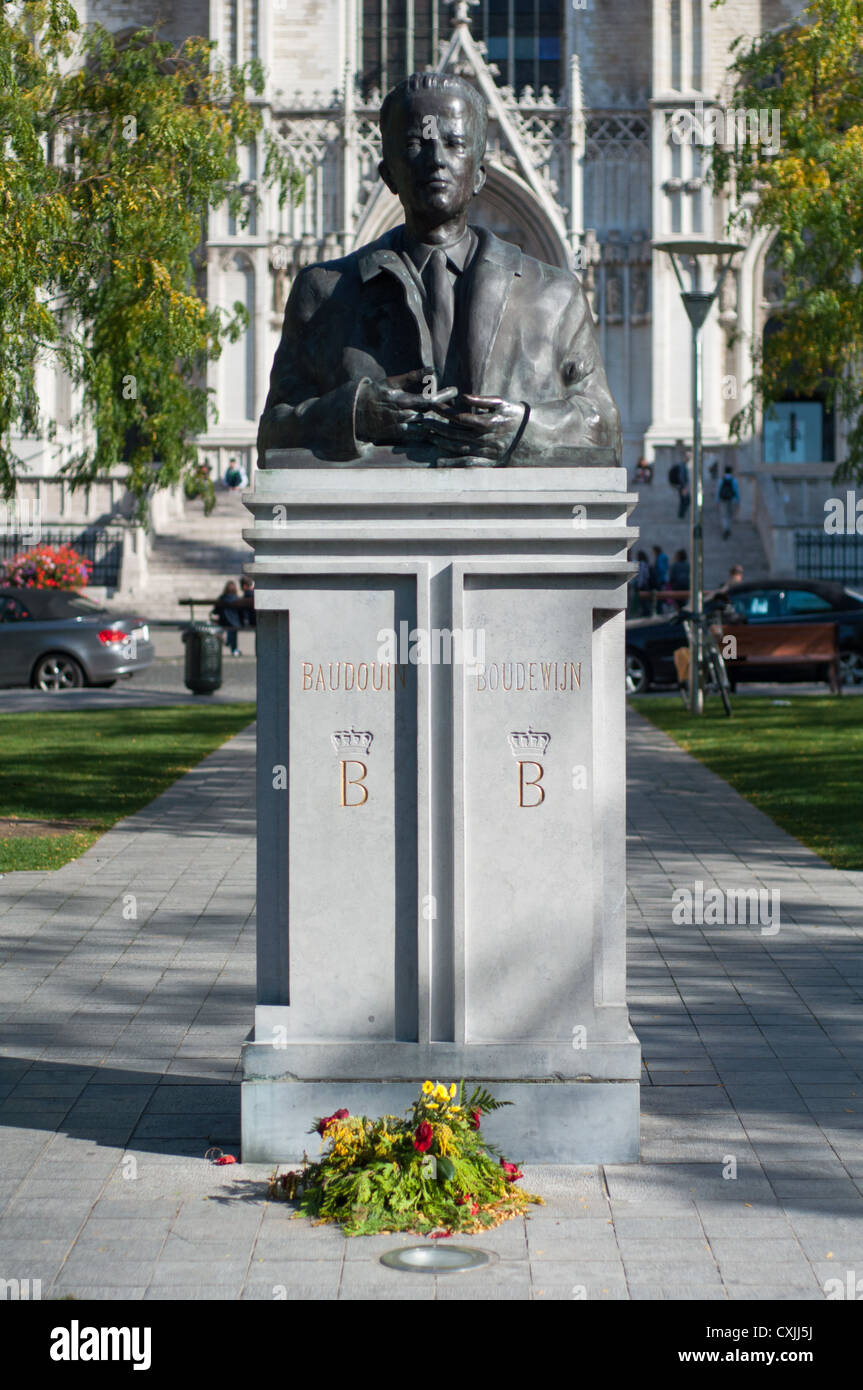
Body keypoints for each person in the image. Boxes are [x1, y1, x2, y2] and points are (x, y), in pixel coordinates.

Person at [257, 72, 620, 467]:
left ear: (480, 173)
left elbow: (603, 428)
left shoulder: (554, 294)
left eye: (454, 143)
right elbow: (274, 432)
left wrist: (524, 429)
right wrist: (354, 412)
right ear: (388, 174)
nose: (437, 160)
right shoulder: (325, 293)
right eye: (415, 143)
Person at [212, 580, 243, 655]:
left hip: (223, 621)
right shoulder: (237, 599)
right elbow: (241, 612)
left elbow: (215, 611)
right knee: (233, 629)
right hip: (234, 622)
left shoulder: (222, 598)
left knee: (224, 627)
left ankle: (225, 642)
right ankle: (234, 649)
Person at [717, 464, 740, 539]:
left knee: (724, 515)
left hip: (723, 499)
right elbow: (736, 491)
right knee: (730, 515)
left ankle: (725, 528)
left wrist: (717, 500)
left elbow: (718, 491)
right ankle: (728, 528)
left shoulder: (721, 480)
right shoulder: (734, 480)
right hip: (732, 499)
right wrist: (737, 500)